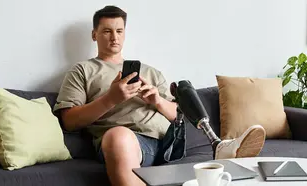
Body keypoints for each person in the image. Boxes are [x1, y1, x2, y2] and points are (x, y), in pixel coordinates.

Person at [53, 5, 266, 186]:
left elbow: (178, 116)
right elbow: (69, 121)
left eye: (119, 31)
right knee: (119, 136)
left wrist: (156, 100)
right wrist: (112, 98)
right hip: (122, 144)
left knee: (183, 91)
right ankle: (221, 148)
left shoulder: (150, 72)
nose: (114, 37)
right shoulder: (82, 70)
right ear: (94, 35)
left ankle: (220, 144)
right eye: (107, 31)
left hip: (167, 143)